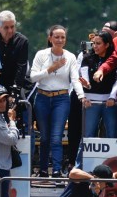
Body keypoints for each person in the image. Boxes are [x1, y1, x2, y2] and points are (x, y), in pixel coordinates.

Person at [29, 25, 85, 178]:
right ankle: (42, 169)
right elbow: (33, 77)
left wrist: (81, 96)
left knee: (56, 137)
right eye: (56, 37)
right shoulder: (42, 55)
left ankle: (56, 170)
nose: (60, 40)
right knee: (45, 137)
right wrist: (50, 68)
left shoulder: (70, 57)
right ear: (50, 39)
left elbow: (74, 79)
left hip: (61, 98)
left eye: (62, 37)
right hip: (42, 97)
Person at [77, 30, 117, 141]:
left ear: (107, 44)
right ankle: (80, 159)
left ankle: (113, 159)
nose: (95, 46)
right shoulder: (87, 58)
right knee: (87, 137)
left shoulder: (114, 59)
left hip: (109, 103)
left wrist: (112, 97)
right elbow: (85, 81)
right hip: (91, 103)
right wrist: (86, 85)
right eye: (94, 43)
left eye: (98, 43)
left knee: (112, 136)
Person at [0, 11, 30, 96]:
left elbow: (21, 67)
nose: (10, 31)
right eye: (6, 28)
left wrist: (15, 90)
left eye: (12, 27)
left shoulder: (22, 41)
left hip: (14, 85)